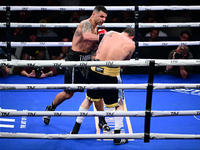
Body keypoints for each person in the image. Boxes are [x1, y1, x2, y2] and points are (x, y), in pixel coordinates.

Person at [43, 5, 111, 131]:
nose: (103, 19)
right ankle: (50, 108)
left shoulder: (97, 28)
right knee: (68, 94)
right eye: (101, 16)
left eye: (105, 17)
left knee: (96, 92)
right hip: (74, 61)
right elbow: (86, 37)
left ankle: (102, 121)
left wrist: (100, 44)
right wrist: (103, 37)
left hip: (87, 60)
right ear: (94, 14)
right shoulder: (85, 24)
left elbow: (91, 47)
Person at [70, 28, 136, 145]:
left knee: (89, 99)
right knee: (119, 103)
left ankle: (75, 130)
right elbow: (123, 66)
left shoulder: (109, 33)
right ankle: (117, 137)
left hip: (94, 69)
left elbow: (96, 48)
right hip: (110, 74)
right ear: (132, 37)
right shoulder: (131, 44)